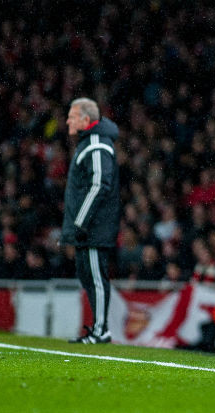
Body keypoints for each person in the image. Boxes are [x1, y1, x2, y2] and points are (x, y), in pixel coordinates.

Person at [61, 97, 120, 344]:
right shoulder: (89, 142)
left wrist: (81, 222)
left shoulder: (96, 143)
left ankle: (101, 330)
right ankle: (98, 328)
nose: (67, 121)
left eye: (72, 116)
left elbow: (99, 184)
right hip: (88, 226)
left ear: (86, 120)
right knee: (87, 275)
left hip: (94, 226)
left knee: (95, 278)